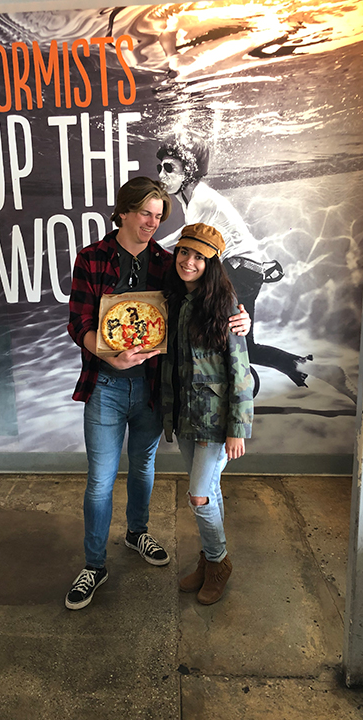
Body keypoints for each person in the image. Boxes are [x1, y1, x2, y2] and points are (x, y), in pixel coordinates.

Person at [65, 177, 251, 611]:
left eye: (158, 215)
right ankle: (94, 564)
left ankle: (137, 532)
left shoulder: (168, 262)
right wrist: (109, 357)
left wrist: (240, 316)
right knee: (99, 481)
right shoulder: (91, 258)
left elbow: (207, 289)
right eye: (145, 213)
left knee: (144, 465)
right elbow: (78, 323)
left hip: (153, 389)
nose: (152, 222)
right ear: (123, 213)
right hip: (106, 386)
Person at [156, 131, 313, 390]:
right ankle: (297, 367)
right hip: (244, 270)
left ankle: (256, 380)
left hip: (238, 270)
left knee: (225, 337)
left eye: (169, 167)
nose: (161, 175)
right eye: (160, 167)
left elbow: (187, 240)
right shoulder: (194, 198)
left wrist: (152, 247)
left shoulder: (201, 200)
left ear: (190, 168)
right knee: (243, 344)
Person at [161, 222, 254, 604]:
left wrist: (238, 429)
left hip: (215, 424)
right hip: (185, 416)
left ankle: (218, 563)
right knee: (209, 492)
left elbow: (240, 370)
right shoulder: (173, 299)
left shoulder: (227, 306)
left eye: (200, 256)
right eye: (185, 252)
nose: (189, 261)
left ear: (212, 263)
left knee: (199, 496)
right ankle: (207, 559)